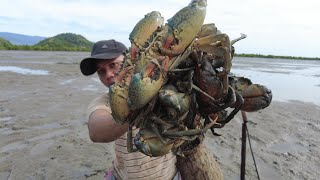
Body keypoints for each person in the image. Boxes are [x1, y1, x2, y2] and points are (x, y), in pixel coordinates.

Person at [80, 39, 181, 180]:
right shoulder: (105, 101)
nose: (108, 74)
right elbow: (96, 131)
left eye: (113, 65)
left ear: (131, 59)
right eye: (101, 71)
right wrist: (137, 106)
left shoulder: (162, 87)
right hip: (122, 176)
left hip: (168, 175)